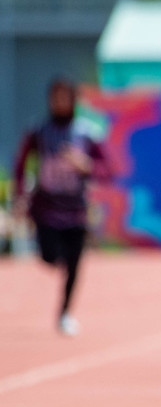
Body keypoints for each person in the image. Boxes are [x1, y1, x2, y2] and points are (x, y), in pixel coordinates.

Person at [10, 78, 110, 336]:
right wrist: (19, 195)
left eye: (65, 97)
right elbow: (21, 165)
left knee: (75, 265)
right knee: (49, 256)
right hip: (46, 208)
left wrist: (84, 164)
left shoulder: (86, 133)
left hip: (76, 209)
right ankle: (55, 258)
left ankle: (65, 313)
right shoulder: (39, 132)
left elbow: (107, 169)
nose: (60, 102)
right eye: (56, 97)